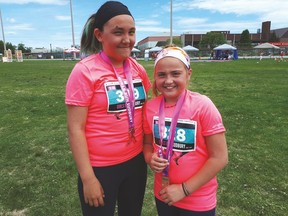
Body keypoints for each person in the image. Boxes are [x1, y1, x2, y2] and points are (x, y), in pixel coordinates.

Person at [65, 1, 151, 216]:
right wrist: (88, 178)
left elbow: (148, 110)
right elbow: (75, 129)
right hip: (100, 168)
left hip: (135, 163)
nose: (127, 39)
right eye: (118, 32)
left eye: (131, 32)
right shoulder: (84, 71)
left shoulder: (137, 69)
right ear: (99, 34)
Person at [143, 45, 228, 216]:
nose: (168, 81)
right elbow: (147, 143)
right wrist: (149, 157)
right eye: (161, 75)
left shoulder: (202, 106)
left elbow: (220, 158)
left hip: (197, 200)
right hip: (164, 194)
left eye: (175, 74)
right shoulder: (150, 107)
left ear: (188, 74)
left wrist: (184, 189)